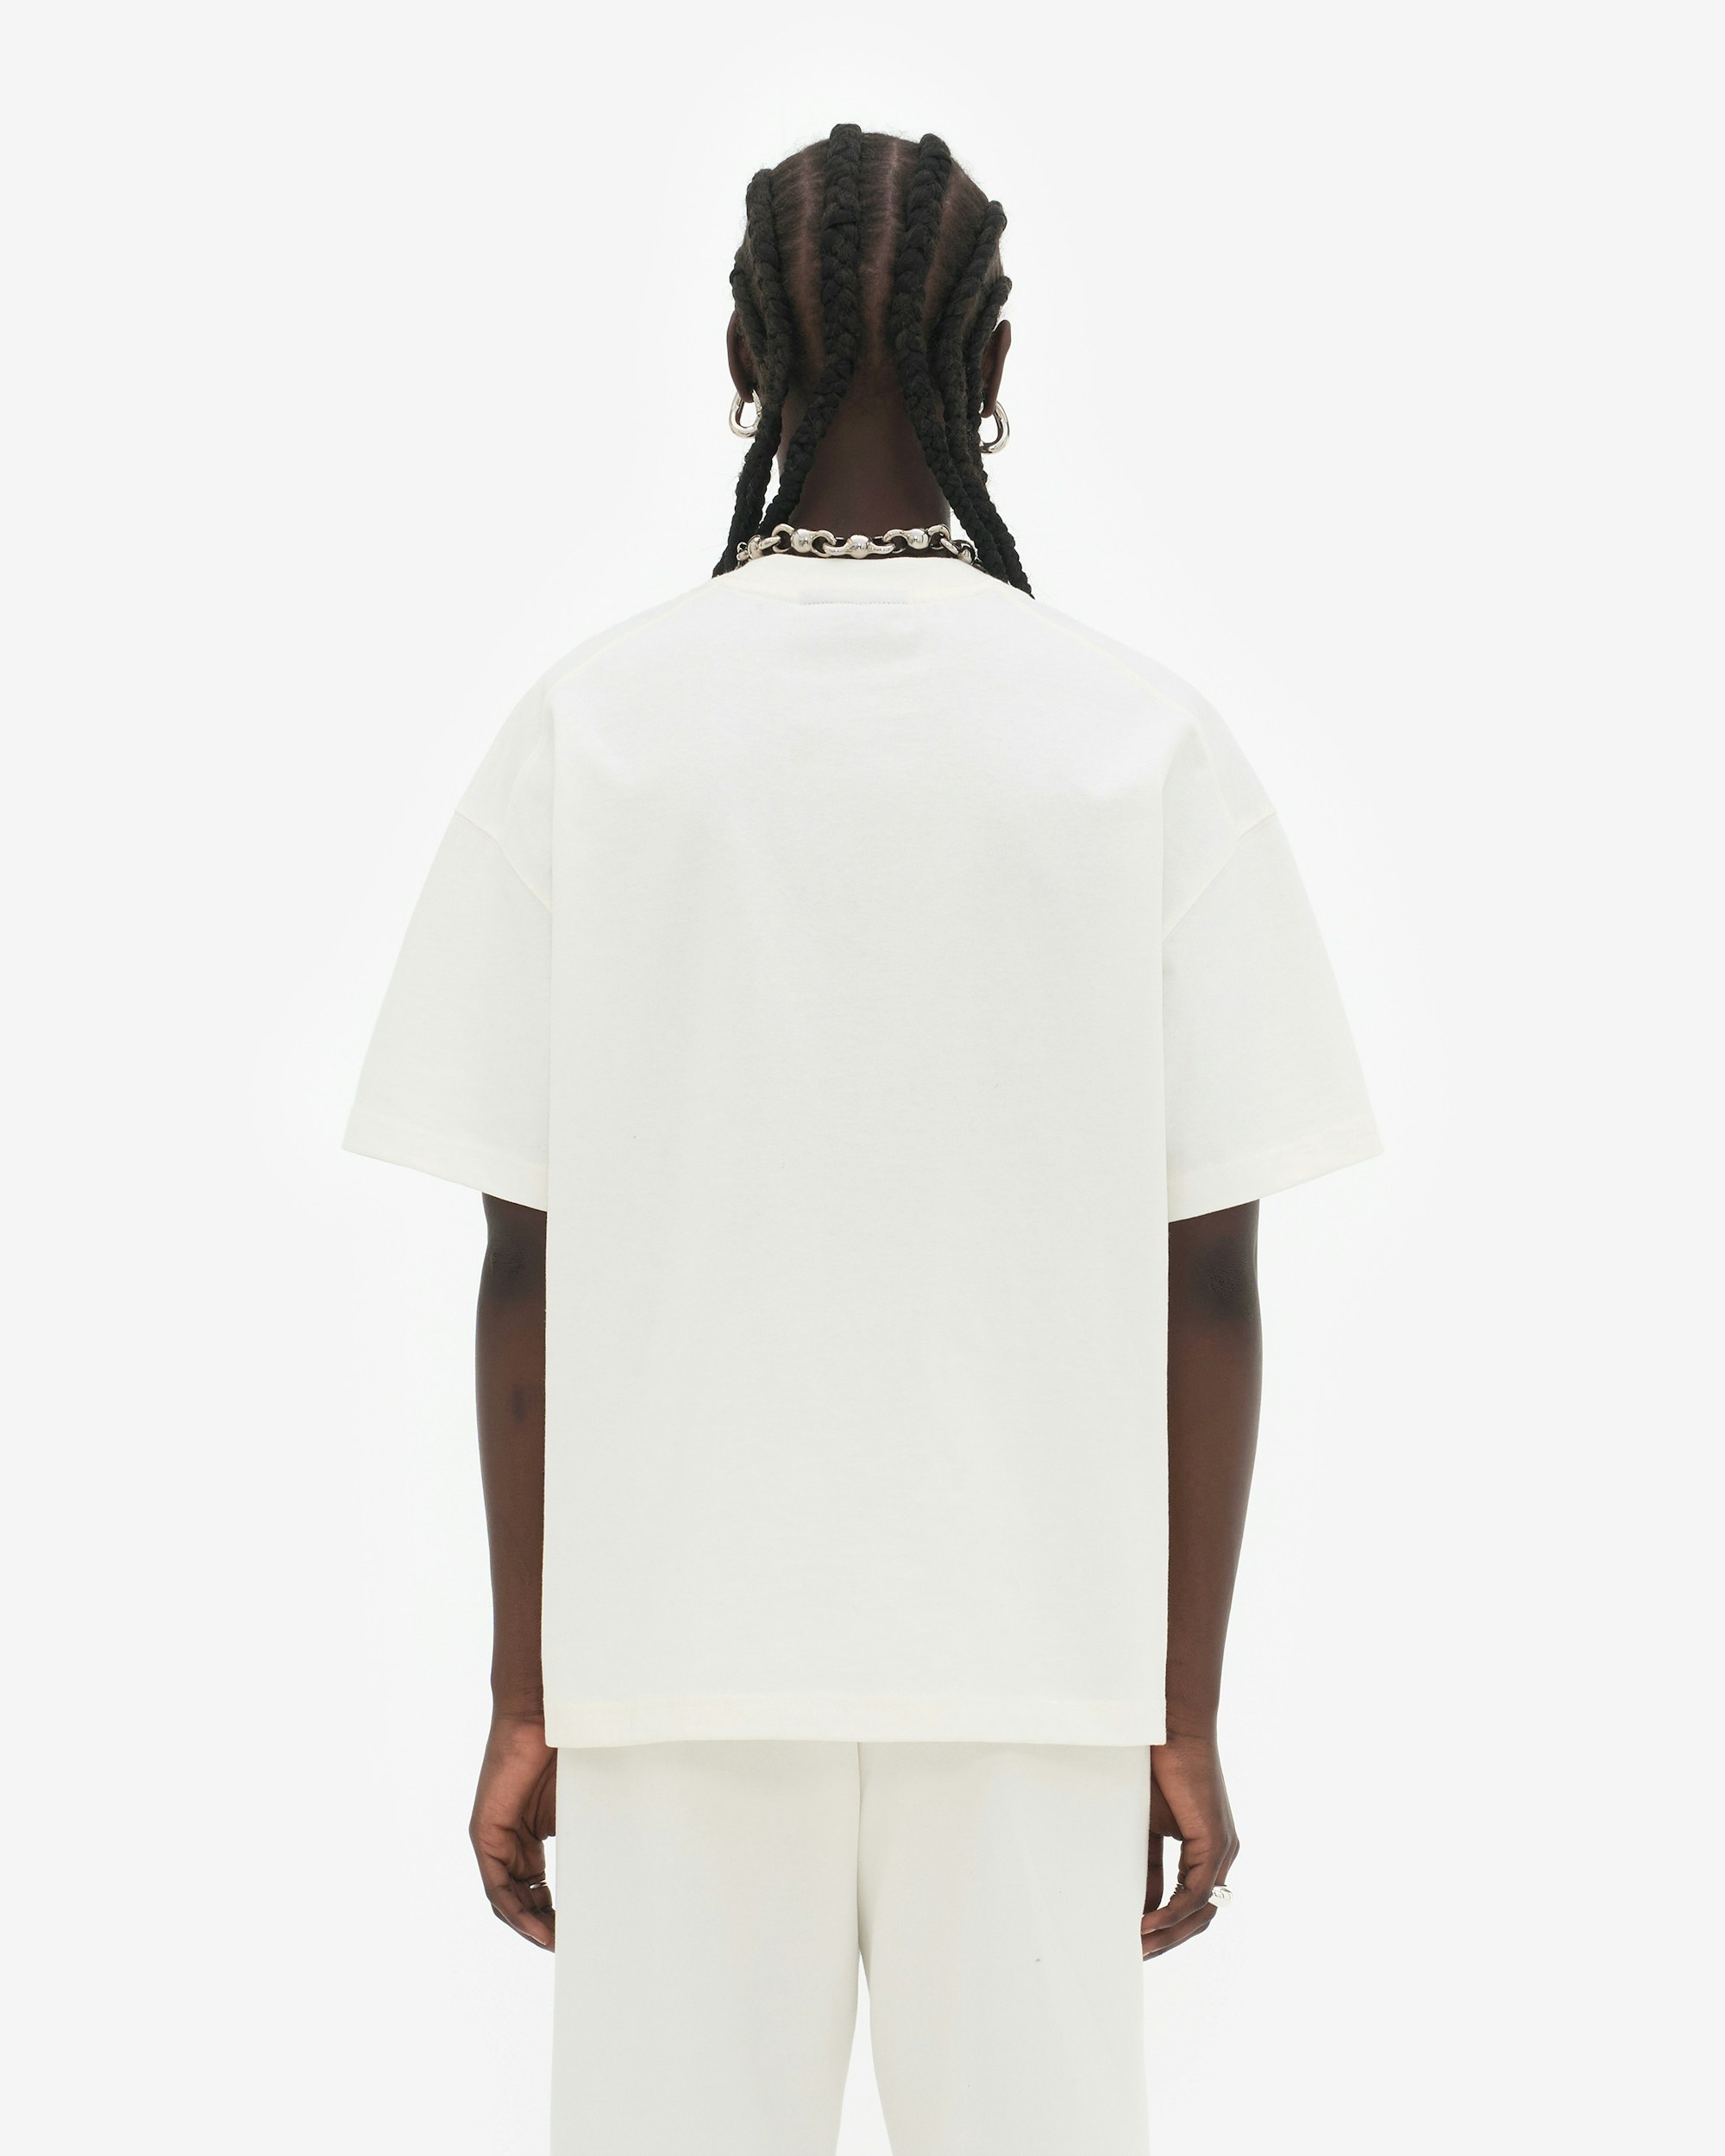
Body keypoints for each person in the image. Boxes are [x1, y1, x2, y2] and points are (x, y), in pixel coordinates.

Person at [345, 124, 1379, 2156]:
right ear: (995, 363)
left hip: (671, 1647)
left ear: (742, 354)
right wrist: (1176, 1700)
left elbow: (527, 1261)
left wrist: (528, 1685)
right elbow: (1209, 1273)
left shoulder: (595, 731)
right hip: (1035, 1656)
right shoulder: (1134, 739)